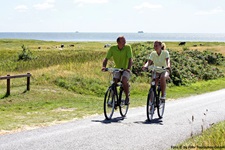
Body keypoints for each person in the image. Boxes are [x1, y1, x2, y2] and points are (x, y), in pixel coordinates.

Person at [102, 36, 133, 105]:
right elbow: (106, 58)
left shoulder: (127, 47)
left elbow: (130, 59)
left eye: (125, 41)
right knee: (114, 81)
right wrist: (104, 66)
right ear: (118, 42)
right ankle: (113, 98)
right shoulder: (113, 48)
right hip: (117, 68)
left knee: (124, 80)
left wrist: (128, 68)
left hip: (125, 69)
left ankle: (127, 97)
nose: (125, 42)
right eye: (123, 41)